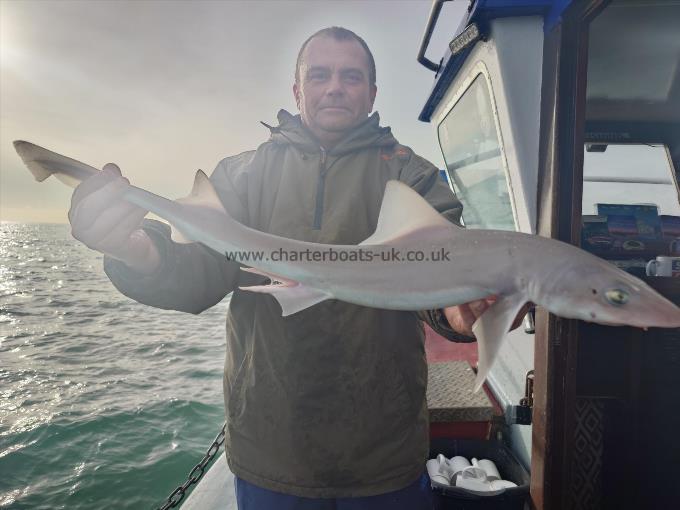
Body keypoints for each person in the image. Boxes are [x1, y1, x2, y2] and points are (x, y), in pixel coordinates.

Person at [69, 27, 512, 509]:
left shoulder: (409, 175)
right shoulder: (244, 176)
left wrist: (458, 308)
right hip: (271, 445)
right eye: (319, 75)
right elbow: (197, 275)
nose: (335, 87)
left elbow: (444, 271)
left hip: (383, 450)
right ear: (297, 89)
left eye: (351, 76)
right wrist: (135, 250)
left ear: (372, 93)